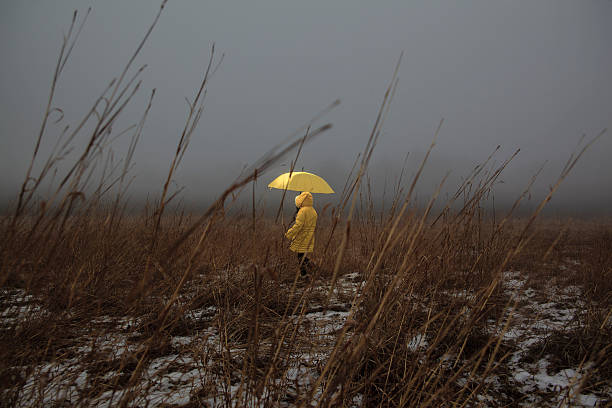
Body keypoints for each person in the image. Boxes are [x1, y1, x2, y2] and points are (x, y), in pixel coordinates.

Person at [285, 191, 317, 276]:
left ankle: (304, 274)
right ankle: (309, 268)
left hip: (302, 237)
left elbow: (298, 225)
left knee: (300, 257)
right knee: (301, 256)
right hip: (309, 237)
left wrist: (289, 234)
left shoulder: (302, 211)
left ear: (301, 201)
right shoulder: (313, 210)